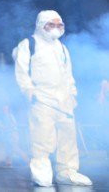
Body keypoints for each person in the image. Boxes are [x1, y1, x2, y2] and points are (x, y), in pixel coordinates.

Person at [14, 10, 92, 187]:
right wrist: (28, 90)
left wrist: (72, 94)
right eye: (51, 25)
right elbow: (21, 70)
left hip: (63, 100)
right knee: (42, 137)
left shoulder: (62, 47)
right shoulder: (28, 44)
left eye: (59, 25)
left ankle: (67, 171)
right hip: (41, 99)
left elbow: (68, 74)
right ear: (41, 26)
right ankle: (41, 171)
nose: (56, 29)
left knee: (68, 137)